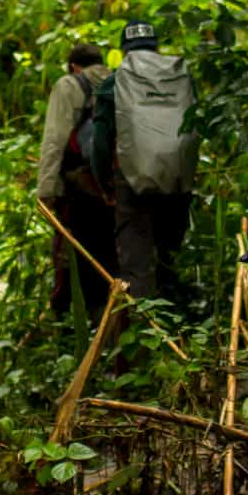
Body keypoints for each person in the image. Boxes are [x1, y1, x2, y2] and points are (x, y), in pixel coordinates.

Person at [88, 21, 197, 301]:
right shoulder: (181, 76)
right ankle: (178, 330)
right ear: (156, 46)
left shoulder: (115, 81)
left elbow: (100, 141)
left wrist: (105, 184)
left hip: (132, 183)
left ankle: (144, 337)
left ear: (124, 50)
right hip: (177, 182)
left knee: (137, 266)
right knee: (168, 260)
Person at [35, 41, 116, 322]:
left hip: (79, 188)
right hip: (116, 187)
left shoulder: (69, 85)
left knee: (75, 255)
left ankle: (77, 324)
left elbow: (54, 141)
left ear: (74, 66)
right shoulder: (118, 81)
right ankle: (111, 321)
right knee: (110, 254)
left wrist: (45, 190)